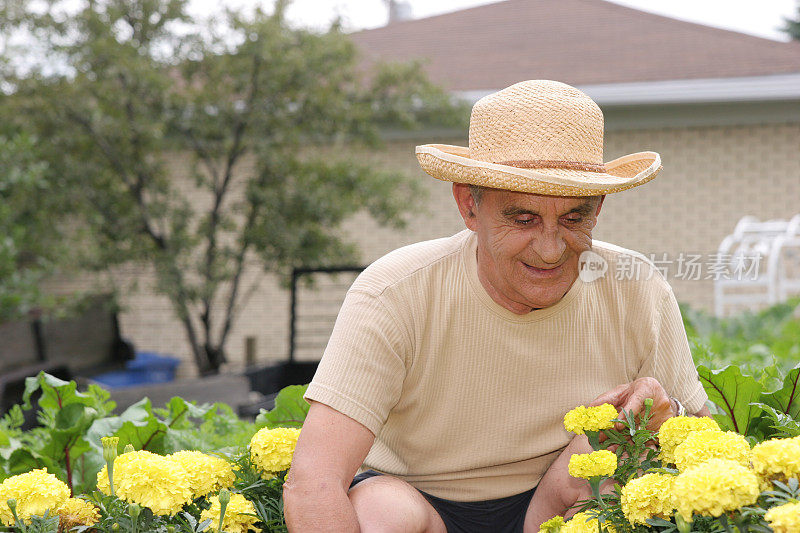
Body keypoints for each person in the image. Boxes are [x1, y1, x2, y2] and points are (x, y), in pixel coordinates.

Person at [283, 80, 711, 533]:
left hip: (559, 507)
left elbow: (708, 441)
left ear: (598, 208)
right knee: (380, 511)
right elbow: (314, 482)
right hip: (419, 505)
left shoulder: (637, 288)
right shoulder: (394, 292)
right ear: (469, 205)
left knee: (617, 449)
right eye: (523, 219)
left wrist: (672, 415)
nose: (550, 250)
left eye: (574, 218)